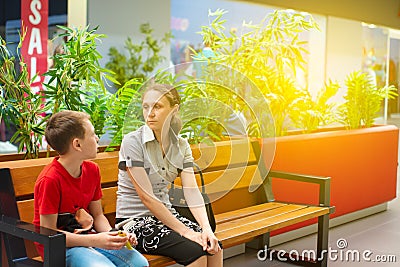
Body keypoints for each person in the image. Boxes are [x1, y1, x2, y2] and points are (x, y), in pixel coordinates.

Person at [116, 83, 223, 266]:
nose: (150, 113)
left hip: (168, 217)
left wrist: (206, 229)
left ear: (174, 110)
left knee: (213, 247)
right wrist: (187, 232)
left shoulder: (181, 145)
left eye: (157, 106)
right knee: (196, 253)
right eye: (146, 106)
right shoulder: (133, 142)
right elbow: (147, 197)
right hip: (136, 222)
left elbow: (191, 191)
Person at [33, 110, 148, 267]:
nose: (97, 139)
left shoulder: (92, 170)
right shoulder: (50, 180)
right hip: (59, 249)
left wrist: (113, 236)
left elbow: (98, 215)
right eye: (93, 135)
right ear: (77, 144)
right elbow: (49, 233)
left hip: (89, 237)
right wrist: (95, 240)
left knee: (139, 263)